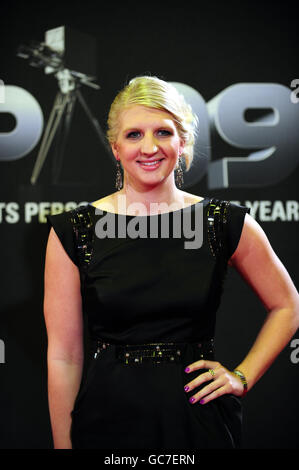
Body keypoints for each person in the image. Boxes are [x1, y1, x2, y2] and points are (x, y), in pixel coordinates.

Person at [44, 76, 299, 450]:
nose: (149, 147)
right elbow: (64, 356)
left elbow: (288, 306)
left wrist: (241, 377)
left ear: (183, 143)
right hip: (107, 423)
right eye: (134, 135)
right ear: (115, 147)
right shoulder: (75, 230)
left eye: (163, 132)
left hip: (199, 422)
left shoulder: (222, 221)